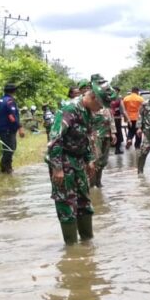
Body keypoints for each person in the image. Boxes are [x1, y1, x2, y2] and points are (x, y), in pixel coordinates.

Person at [47, 82, 110, 244]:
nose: (100, 108)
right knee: (66, 203)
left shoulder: (88, 112)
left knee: (84, 202)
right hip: (63, 160)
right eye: (100, 104)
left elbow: (87, 137)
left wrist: (89, 160)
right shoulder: (70, 109)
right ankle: (71, 248)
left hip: (79, 160)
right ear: (93, 97)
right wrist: (57, 168)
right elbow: (55, 139)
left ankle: (87, 244)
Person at [88, 75, 116, 187]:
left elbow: (110, 117)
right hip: (96, 135)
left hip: (106, 134)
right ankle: (92, 184)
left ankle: (98, 182)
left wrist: (113, 132)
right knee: (95, 160)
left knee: (103, 161)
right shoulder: (92, 98)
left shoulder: (105, 97)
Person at [0, 83, 25, 174]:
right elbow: (12, 116)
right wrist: (20, 127)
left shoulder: (0, 100)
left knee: (8, 148)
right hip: (7, 129)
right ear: (14, 91)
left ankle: (6, 167)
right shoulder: (10, 101)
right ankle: (4, 169)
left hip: (1, 128)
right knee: (10, 148)